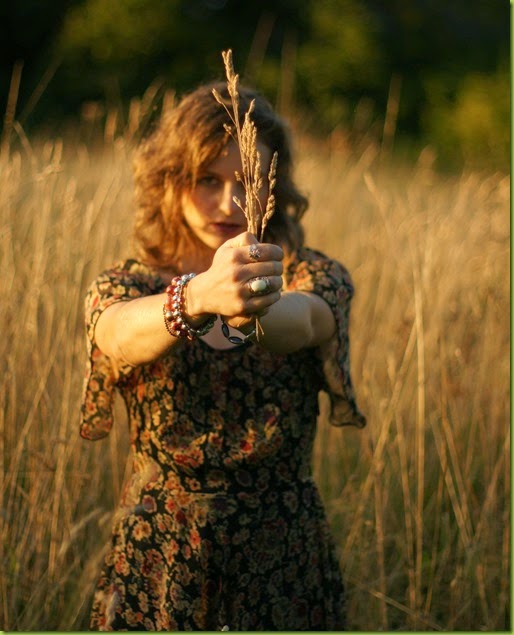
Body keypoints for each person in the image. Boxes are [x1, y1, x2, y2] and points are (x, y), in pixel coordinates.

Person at [80, 80, 366, 632]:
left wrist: (246, 309)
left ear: (272, 189)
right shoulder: (125, 283)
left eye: (245, 182)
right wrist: (194, 298)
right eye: (207, 179)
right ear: (171, 181)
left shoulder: (316, 276)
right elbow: (115, 334)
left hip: (283, 561)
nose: (229, 203)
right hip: (159, 559)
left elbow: (306, 319)